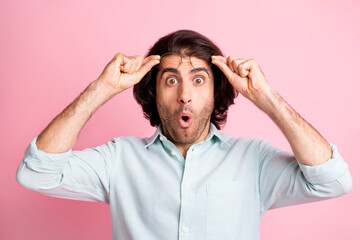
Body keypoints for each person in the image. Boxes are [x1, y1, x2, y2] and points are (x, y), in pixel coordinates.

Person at [16, 30, 352, 240]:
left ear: (217, 90)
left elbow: (331, 181)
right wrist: (101, 89)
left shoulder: (254, 160)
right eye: (171, 80)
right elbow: (36, 173)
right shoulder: (118, 160)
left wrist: (267, 98)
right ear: (154, 92)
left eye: (199, 79)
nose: (185, 95)